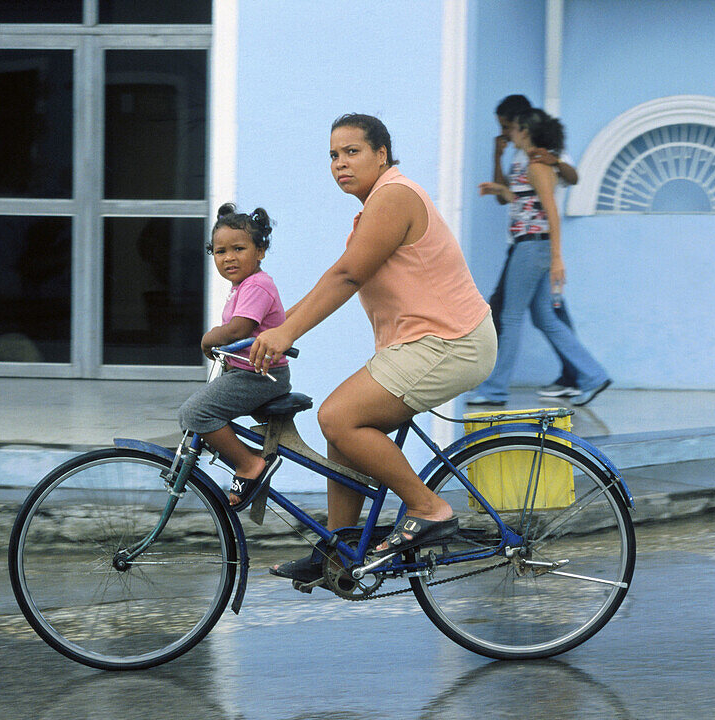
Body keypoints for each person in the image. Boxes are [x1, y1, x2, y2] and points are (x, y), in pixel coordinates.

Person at [248, 114, 496, 582]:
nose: (340, 163)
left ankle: (428, 507)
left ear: (382, 154)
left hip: (451, 342)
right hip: (424, 344)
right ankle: (338, 549)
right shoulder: (377, 205)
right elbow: (338, 274)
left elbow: (346, 277)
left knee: (338, 417)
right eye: (333, 156)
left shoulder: (394, 196)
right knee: (342, 427)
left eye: (352, 152)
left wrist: (287, 335)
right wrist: (271, 328)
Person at [471, 109, 611, 408]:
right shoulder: (529, 166)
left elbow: (551, 211)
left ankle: (494, 390)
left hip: (532, 248)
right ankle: (593, 376)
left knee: (509, 316)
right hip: (534, 247)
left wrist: (557, 259)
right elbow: (529, 203)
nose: (509, 134)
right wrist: (501, 190)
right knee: (545, 317)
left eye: (513, 129)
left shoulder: (537, 166)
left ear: (525, 130)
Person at [177, 203, 290, 510]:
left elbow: (240, 329)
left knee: (195, 414)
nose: (228, 258)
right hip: (246, 372)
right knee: (193, 416)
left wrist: (209, 338)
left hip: (261, 376)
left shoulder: (257, 285)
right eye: (220, 251)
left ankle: (249, 465)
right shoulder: (243, 286)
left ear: (260, 251)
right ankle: (245, 463)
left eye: (239, 248)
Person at [485, 94, 583, 400]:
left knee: (515, 312)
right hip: (520, 242)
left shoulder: (542, 147)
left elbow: (571, 177)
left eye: (505, 126)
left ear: (519, 123)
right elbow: (507, 197)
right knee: (543, 314)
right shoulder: (516, 152)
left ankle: (577, 376)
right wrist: (496, 157)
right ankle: (583, 375)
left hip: (534, 242)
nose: (502, 132)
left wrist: (553, 160)